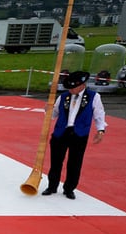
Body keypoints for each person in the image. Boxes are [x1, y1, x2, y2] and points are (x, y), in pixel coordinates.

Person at [41, 70, 107, 199]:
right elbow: (54, 115)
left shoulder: (94, 97)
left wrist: (101, 130)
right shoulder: (63, 97)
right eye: (69, 88)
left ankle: (69, 188)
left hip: (79, 133)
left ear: (82, 85)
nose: (71, 90)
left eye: (73, 87)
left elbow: (99, 114)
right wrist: (47, 110)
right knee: (56, 161)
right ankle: (52, 186)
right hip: (61, 132)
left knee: (75, 162)